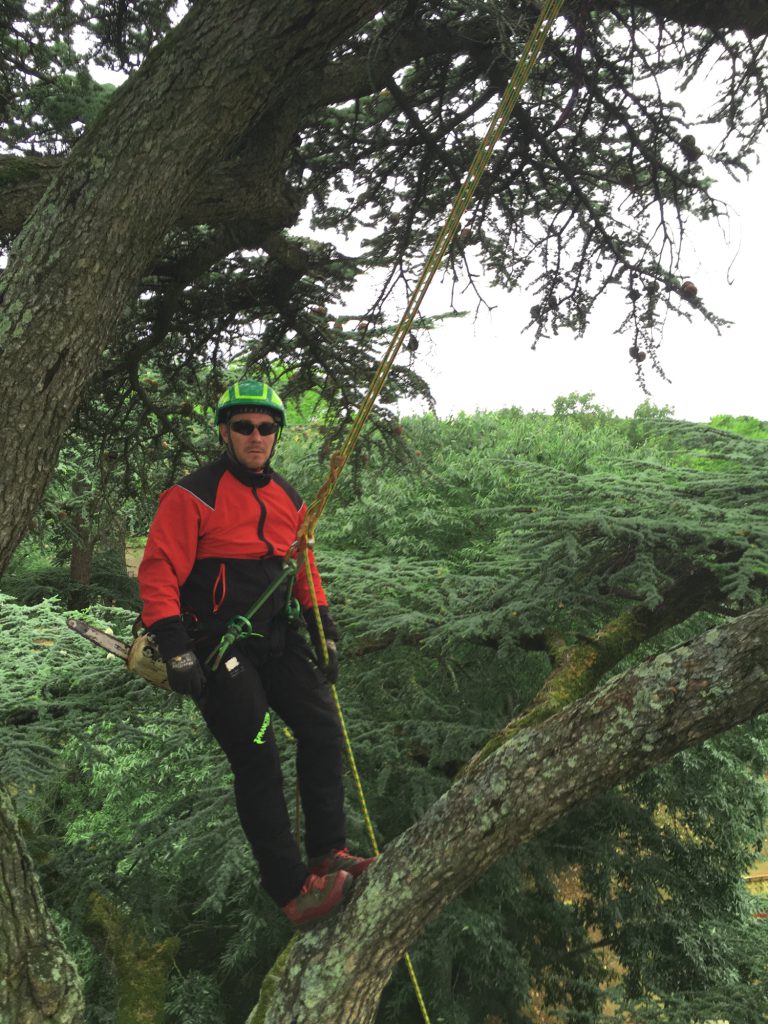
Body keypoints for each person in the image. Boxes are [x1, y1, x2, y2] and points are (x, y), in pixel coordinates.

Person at [137, 380, 374, 928]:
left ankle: (328, 852)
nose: (255, 436)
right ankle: (292, 891)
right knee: (258, 757)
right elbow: (157, 573)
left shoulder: (288, 498)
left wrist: (323, 629)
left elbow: (300, 567)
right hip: (216, 646)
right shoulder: (192, 495)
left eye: (266, 428)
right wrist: (176, 651)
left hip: (274, 639)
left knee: (321, 730)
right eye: (243, 426)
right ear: (225, 432)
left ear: (276, 436)